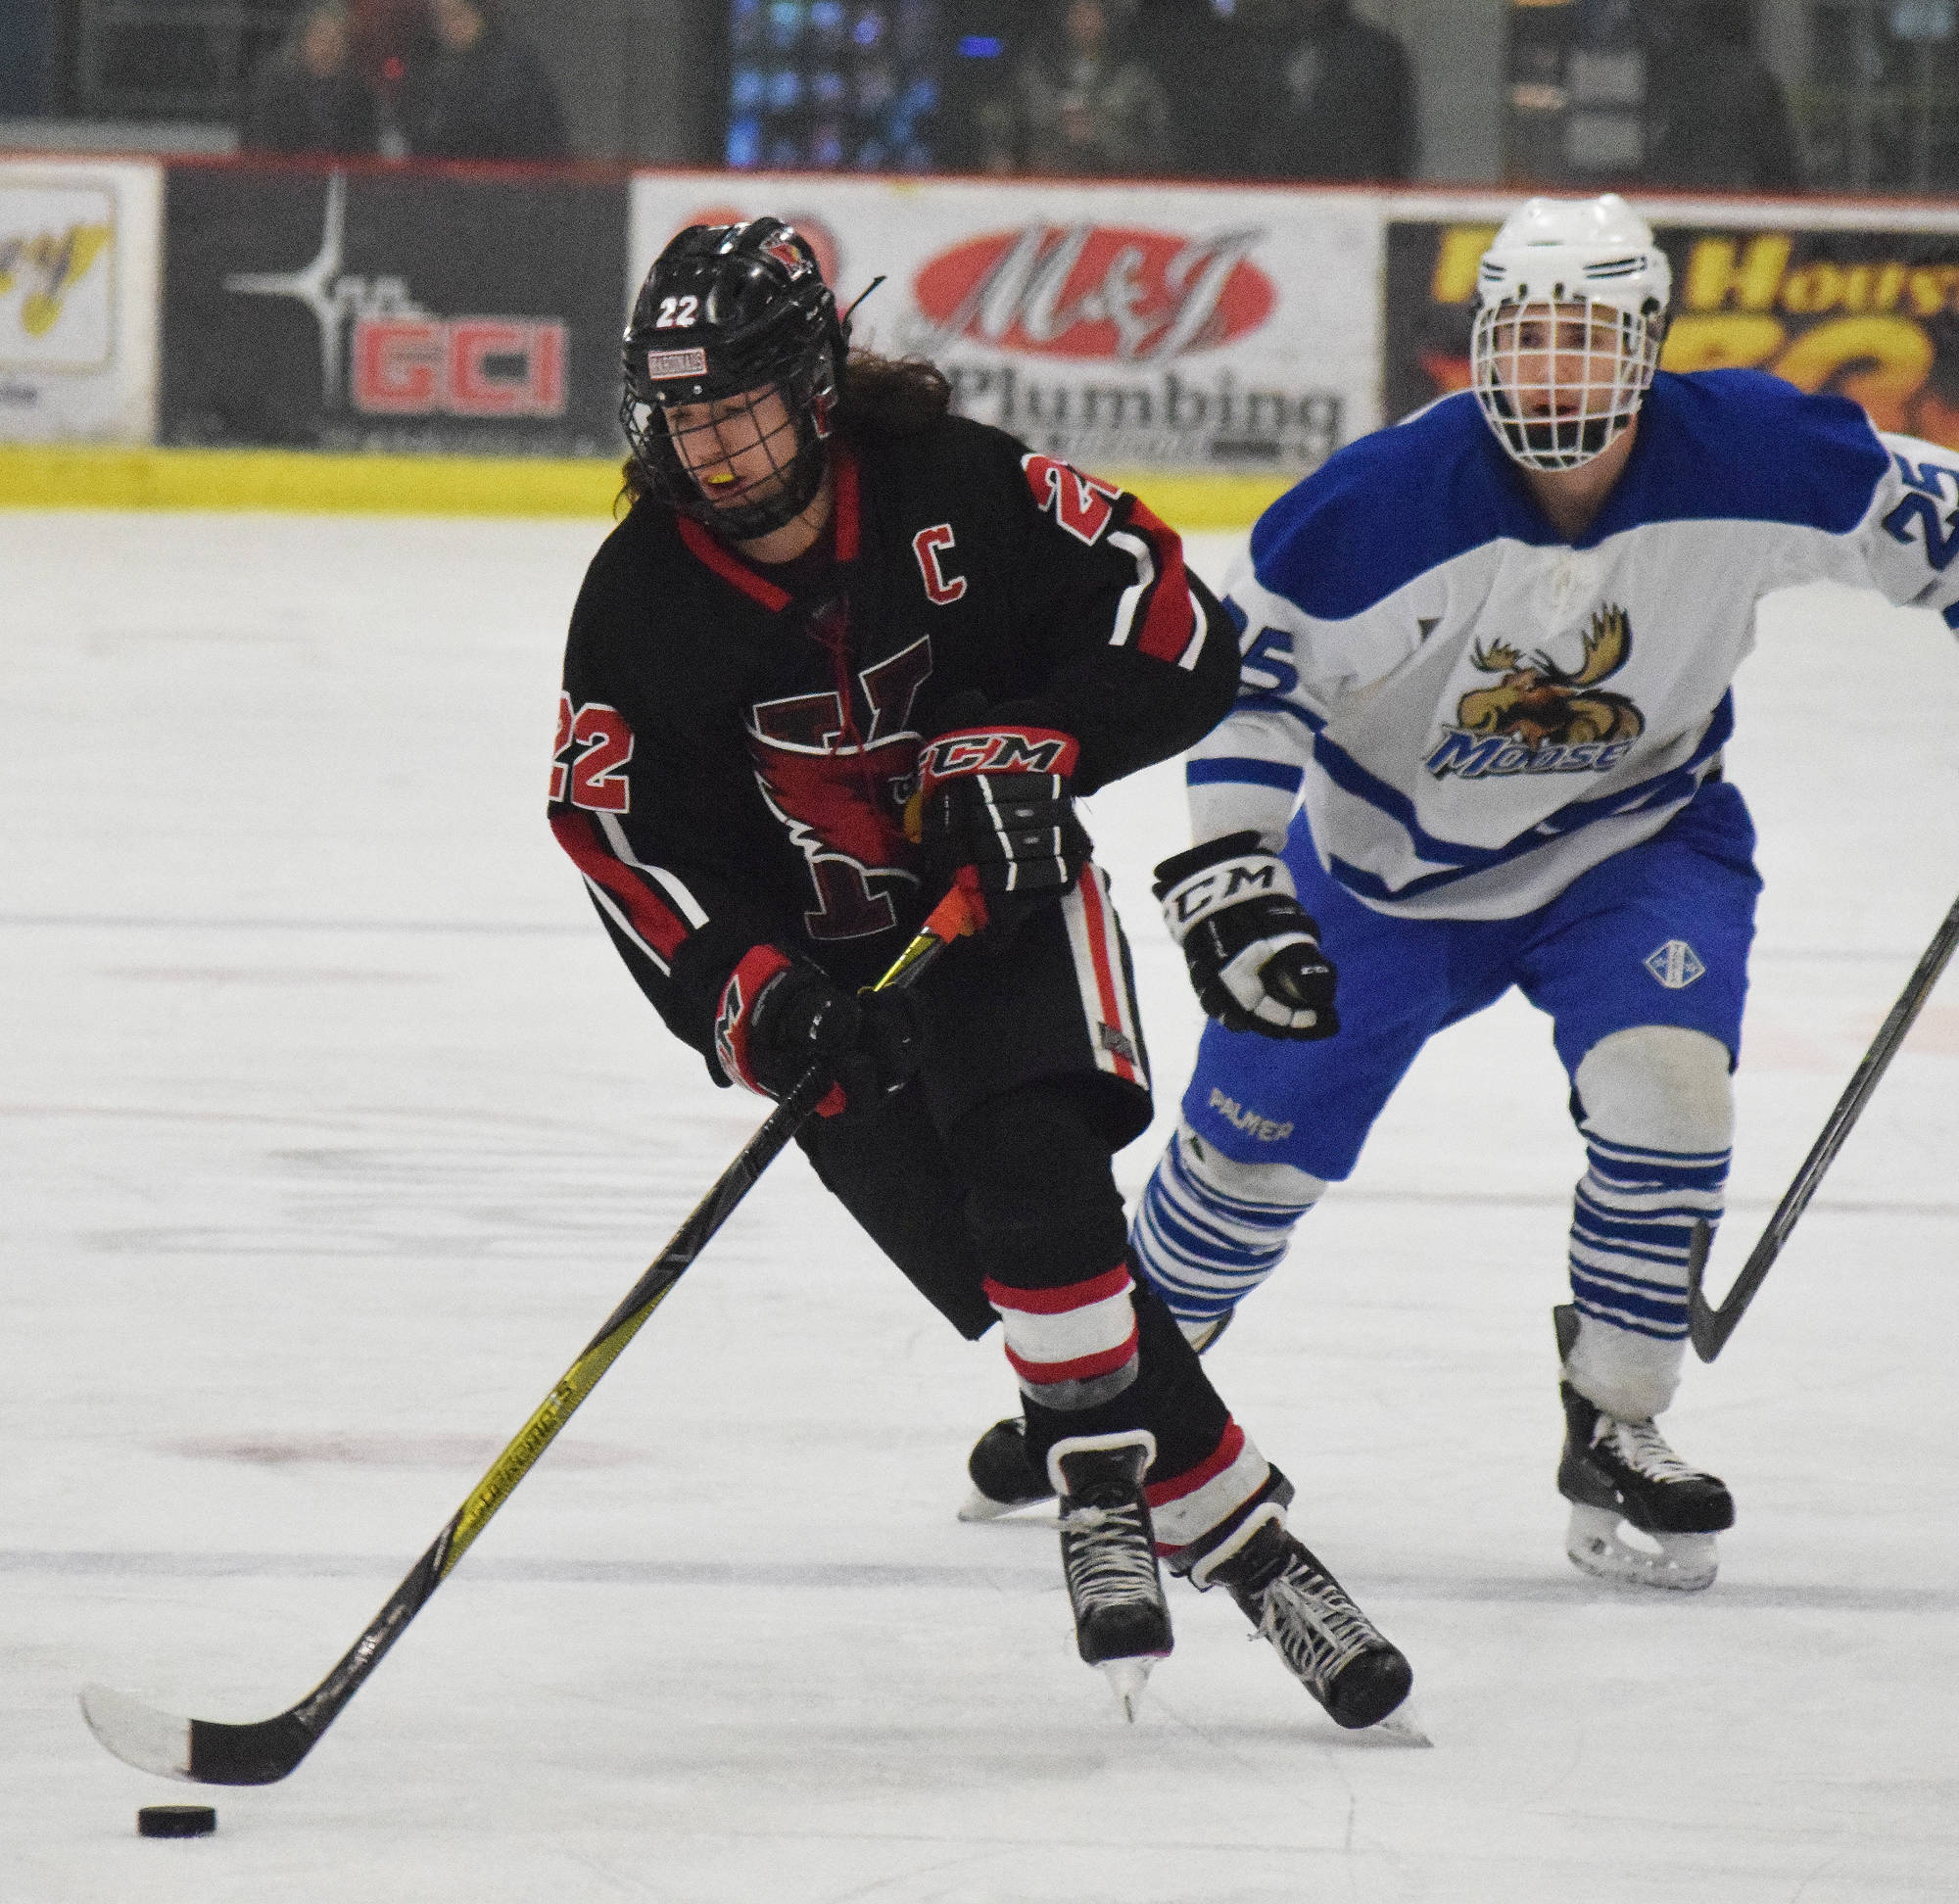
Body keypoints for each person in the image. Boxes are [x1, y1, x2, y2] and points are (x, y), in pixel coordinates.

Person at [961, 193, 1959, 1595]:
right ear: (1484, 344)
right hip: (1381, 875)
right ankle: (1110, 1395)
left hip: (1636, 845)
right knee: (1245, 1170)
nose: (1552, 371)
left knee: (1670, 1095)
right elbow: (1252, 695)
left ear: (1648, 344)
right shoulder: (1370, 510)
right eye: (1527, 337)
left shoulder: (1757, 450)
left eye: (1587, 339)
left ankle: (1616, 1420)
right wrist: (1237, 875)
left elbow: (1935, 521)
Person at [549, 217, 1413, 1729]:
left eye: (737, 405)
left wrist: (1046, 740)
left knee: (1038, 1171)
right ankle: (1258, 1546)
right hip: (827, 992)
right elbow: (612, 829)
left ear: (816, 387)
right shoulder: (639, 598)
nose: (712, 446)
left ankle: (1105, 1492)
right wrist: (755, 996)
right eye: (682, 414)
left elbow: (1173, 621)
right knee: (1025, 1283)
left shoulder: (963, 488)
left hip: (996, 916)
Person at [1214, 0, 1415, 183]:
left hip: (1350, 202)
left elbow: (1395, 149)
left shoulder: (1378, 53)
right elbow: (1234, 133)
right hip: (1265, 197)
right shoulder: (1253, 50)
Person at [977, 0, 1176, 177]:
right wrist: (1001, 154)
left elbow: (1161, 147)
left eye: (1093, 12)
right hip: (1044, 185)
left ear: (1107, 19)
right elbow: (999, 116)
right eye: (1078, 12)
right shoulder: (1037, 73)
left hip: (1116, 191)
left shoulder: (1135, 80)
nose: (1085, 21)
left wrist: (1100, 133)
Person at [1642, 0, 1799, 192]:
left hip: (1694, 200)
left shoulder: (1681, 74)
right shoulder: (1752, 80)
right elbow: (1782, 169)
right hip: (1730, 201)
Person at [399, 0, 567, 161]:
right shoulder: (427, 62)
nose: (447, 25)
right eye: (438, 17)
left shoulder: (509, 62)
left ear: (478, 13)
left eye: (456, 14)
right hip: (443, 178)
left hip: (504, 176)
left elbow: (513, 130)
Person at [242, 2, 380, 156]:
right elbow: (259, 142)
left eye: (337, 37)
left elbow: (367, 150)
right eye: (321, 35)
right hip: (284, 174)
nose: (328, 45)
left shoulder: (359, 91)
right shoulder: (275, 86)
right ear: (303, 38)